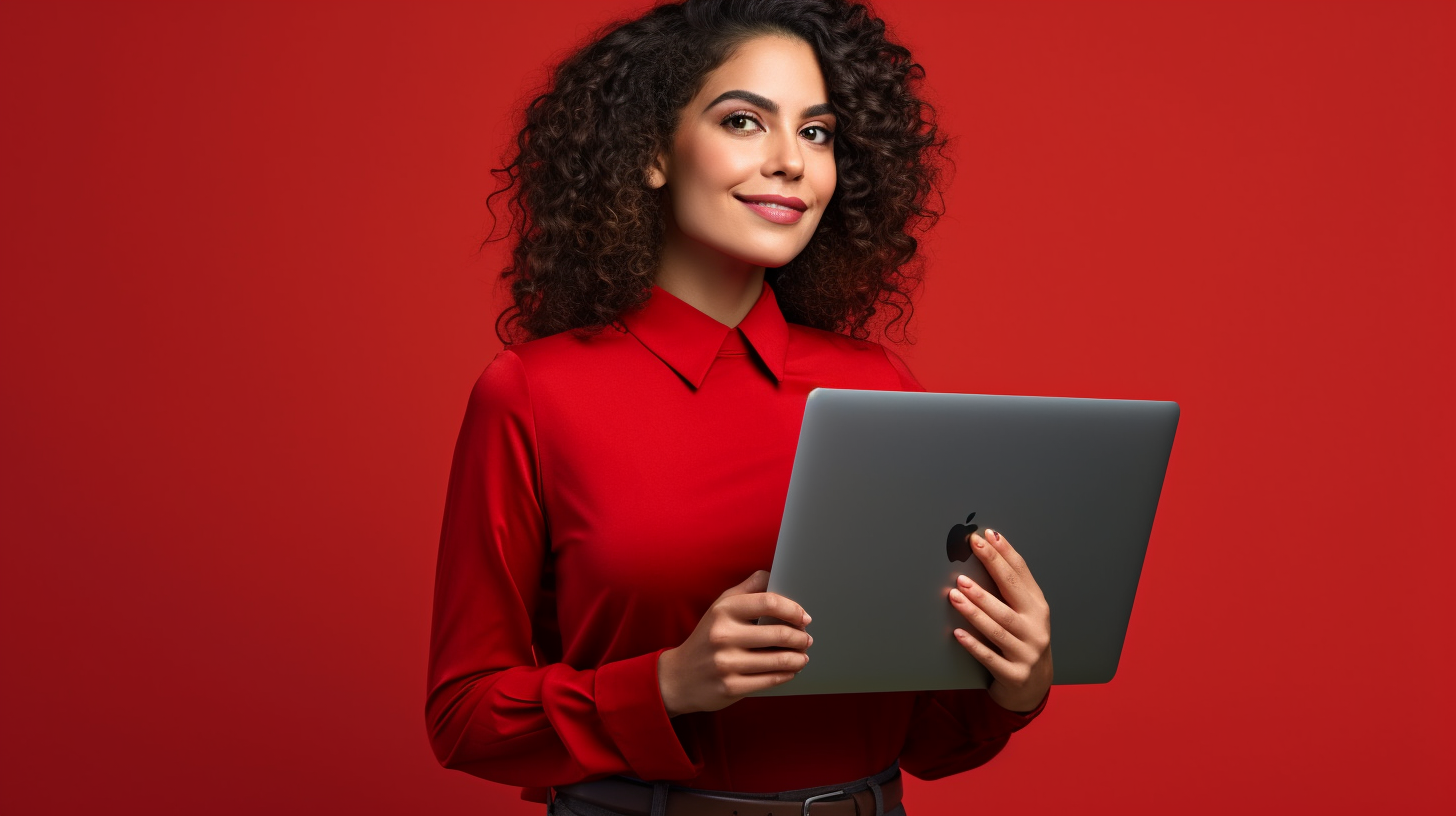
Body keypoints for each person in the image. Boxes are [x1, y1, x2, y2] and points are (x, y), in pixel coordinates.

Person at [426, 1, 1052, 813]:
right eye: (745, 121)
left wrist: (1014, 682)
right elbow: (463, 716)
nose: (792, 161)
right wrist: (667, 684)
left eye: (818, 132)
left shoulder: (877, 384)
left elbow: (926, 740)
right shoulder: (533, 394)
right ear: (652, 151)